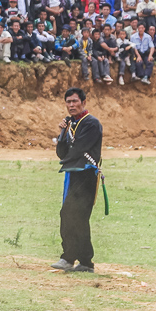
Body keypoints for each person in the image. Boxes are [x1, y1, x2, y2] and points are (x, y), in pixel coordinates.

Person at [52, 88, 103, 274]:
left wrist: (66, 155)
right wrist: (63, 133)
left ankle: (69, 258)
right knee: (73, 216)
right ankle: (84, 261)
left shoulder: (91, 124)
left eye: (75, 101)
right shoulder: (70, 124)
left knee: (73, 215)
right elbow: (63, 152)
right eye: (68, 102)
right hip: (72, 173)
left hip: (86, 174)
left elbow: (79, 148)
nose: (71, 105)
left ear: (84, 102)